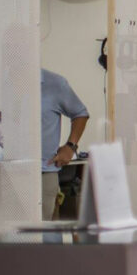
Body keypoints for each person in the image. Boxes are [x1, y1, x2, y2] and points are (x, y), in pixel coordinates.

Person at [40, 69, 89, 221]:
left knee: (39, 230)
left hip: (44, 172)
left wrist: (70, 146)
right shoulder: (3, 79)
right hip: (7, 172)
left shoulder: (54, 83)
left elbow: (80, 113)